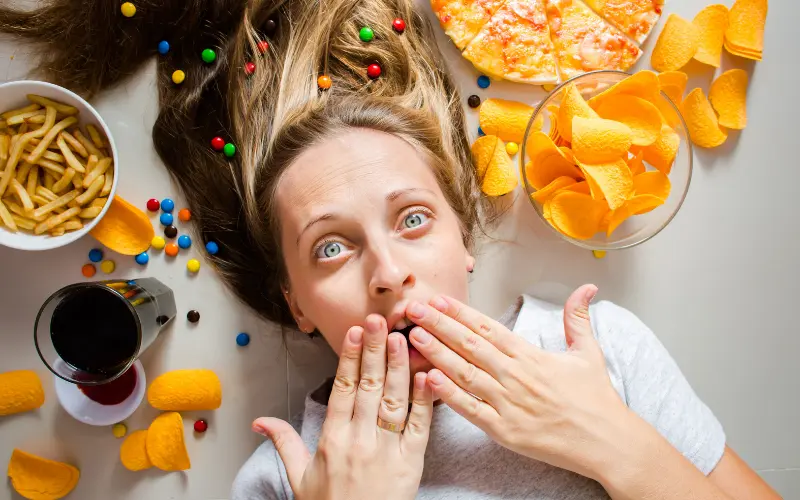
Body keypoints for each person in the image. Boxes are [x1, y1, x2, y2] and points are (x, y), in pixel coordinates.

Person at [1, 0, 781, 498]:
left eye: (412, 220)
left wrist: (624, 451)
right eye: (331, 249)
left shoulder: (596, 356)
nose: (388, 273)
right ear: (295, 305)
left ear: (465, 238)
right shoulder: (289, 482)